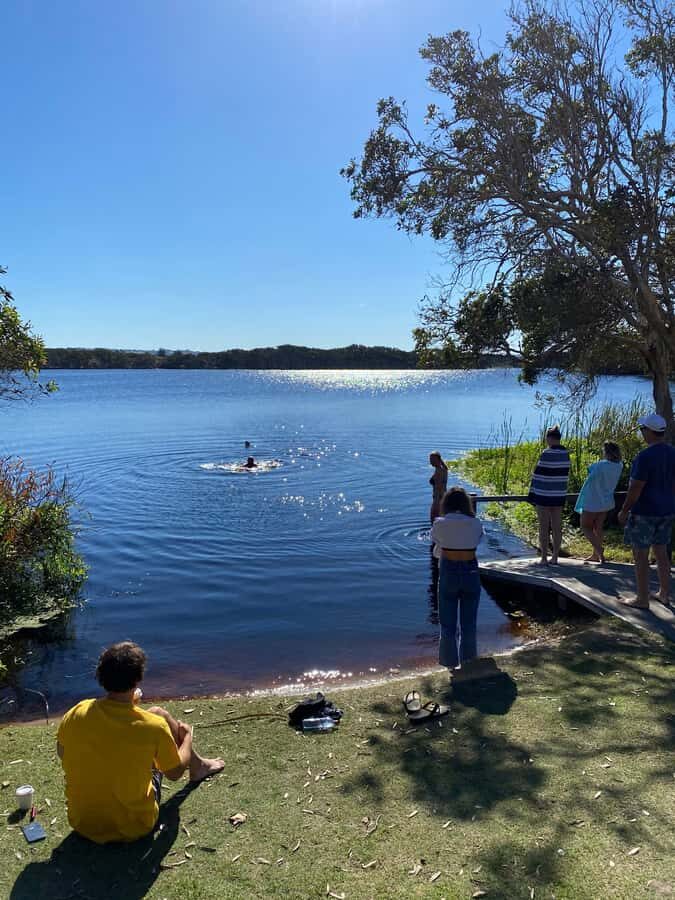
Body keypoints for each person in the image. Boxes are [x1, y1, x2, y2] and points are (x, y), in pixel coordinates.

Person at [56, 641, 225, 844]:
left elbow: (62, 752)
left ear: (101, 676)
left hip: (83, 822)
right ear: (138, 679)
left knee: (157, 713)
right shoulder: (153, 727)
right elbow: (174, 773)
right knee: (159, 719)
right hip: (135, 824)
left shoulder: (77, 712)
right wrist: (188, 737)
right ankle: (198, 767)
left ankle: (199, 766)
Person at [618, 413, 675, 609]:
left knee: (640, 556)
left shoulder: (644, 457)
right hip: (667, 511)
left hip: (644, 512)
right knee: (662, 553)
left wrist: (625, 510)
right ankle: (664, 594)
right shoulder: (672, 453)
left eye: (643, 429)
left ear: (650, 431)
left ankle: (642, 599)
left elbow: (636, 487)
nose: (642, 433)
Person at [431, 487, 484, 675]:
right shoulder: (475, 523)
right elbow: (478, 541)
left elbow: (436, 542)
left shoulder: (440, 523)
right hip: (470, 570)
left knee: (447, 624)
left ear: (446, 504)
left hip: (449, 570)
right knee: (469, 623)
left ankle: (450, 663)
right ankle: (468, 661)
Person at [528, 425, 571, 565]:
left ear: (550, 438)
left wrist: (532, 483)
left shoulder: (546, 453)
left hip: (544, 495)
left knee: (544, 527)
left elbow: (538, 474)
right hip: (559, 495)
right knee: (557, 527)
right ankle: (556, 557)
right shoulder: (566, 453)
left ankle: (544, 558)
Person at [574, 441, 623, 563]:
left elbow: (589, 469)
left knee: (585, 526)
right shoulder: (619, 465)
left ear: (606, 453)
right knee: (598, 527)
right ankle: (597, 556)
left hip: (592, 501)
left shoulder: (600, 465)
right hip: (606, 501)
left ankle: (599, 549)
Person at [429, 451, 448, 522]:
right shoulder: (443, 469)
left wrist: (437, 502)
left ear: (437, 460)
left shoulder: (439, 471)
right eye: (430, 459)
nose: (430, 462)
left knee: (434, 517)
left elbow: (439, 487)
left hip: (438, 497)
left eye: (432, 460)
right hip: (442, 496)